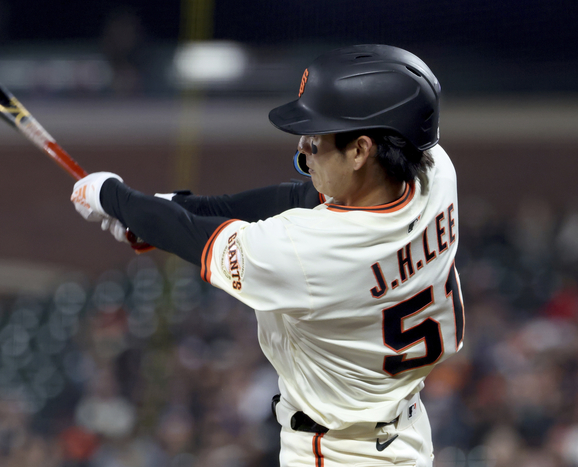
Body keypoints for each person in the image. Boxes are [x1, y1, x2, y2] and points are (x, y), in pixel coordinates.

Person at [70, 44, 464, 466]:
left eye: (317, 138)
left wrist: (111, 196)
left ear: (360, 150)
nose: (303, 148)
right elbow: (296, 199)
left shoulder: (310, 251)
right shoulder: (435, 174)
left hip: (339, 452)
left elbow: (194, 238)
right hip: (407, 436)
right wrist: (176, 207)